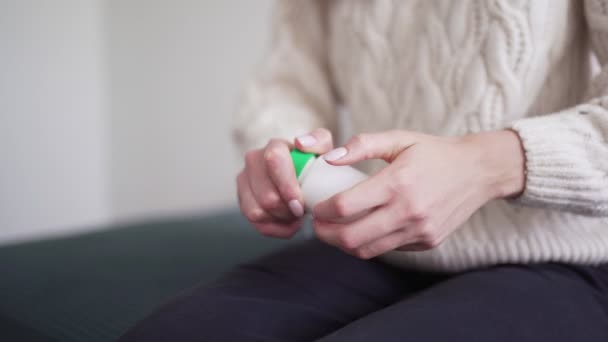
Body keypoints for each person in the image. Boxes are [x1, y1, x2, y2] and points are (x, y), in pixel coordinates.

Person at [121, 1, 608, 341]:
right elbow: (287, 83)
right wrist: (285, 156)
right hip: (376, 246)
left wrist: (487, 164)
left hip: (569, 253)